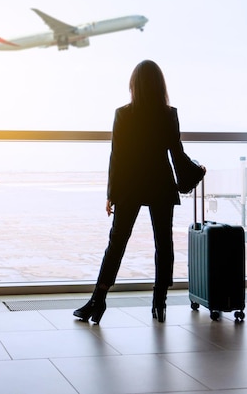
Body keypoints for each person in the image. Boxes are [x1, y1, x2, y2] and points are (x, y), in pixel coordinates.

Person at [74, 60, 205, 324]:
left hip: (130, 186)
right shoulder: (168, 114)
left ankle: (98, 300)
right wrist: (197, 170)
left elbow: (117, 157)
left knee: (117, 243)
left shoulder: (123, 114)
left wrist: (111, 193)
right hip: (160, 184)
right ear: (160, 85)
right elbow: (176, 154)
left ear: (133, 84)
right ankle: (159, 303)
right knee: (163, 243)